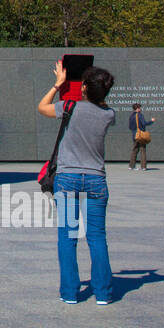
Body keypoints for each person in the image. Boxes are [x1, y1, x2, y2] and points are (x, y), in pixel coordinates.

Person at [37, 59, 116, 306]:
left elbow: (42, 107)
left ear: (83, 88)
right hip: (96, 179)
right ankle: (103, 294)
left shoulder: (69, 106)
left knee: (68, 236)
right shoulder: (109, 115)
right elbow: (97, 101)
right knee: (97, 237)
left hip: (68, 177)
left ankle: (70, 292)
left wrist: (58, 84)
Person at [127, 104, 155, 170]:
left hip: (134, 135)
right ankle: (143, 166)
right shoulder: (140, 115)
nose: (140, 109)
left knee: (134, 150)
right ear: (137, 108)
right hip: (140, 135)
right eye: (140, 108)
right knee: (143, 150)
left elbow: (130, 127)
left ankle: (131, 166)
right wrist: (151, 121)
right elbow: (144, 123)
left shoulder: (131, 116)